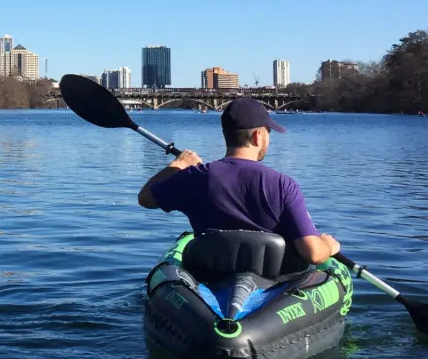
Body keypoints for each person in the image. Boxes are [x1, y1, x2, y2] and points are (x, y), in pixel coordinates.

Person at [137, 98, 340, 265]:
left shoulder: (195, 177)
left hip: (210, 278)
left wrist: (179, 165)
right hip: (271, 285)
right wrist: (329, 245)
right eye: (268, 132)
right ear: (257, 136)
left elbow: (145, 198)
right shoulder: (283, 185)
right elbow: (313, 254)